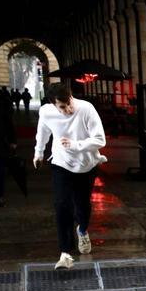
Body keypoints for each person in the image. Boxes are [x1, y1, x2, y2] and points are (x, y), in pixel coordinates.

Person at [33, 82, 107, 270]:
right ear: (53, 105)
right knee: (62, 204)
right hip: (61, 162)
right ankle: (65, 252)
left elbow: (100, 139)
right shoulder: (46, 112)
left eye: (70, 103)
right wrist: (39, 153)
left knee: (82, 205)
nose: (69, 109)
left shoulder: (86, 109)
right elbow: (42, 132)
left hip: (86, 163)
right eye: (63, 107)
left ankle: (82, 230)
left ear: (72, 96)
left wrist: (75, 145)